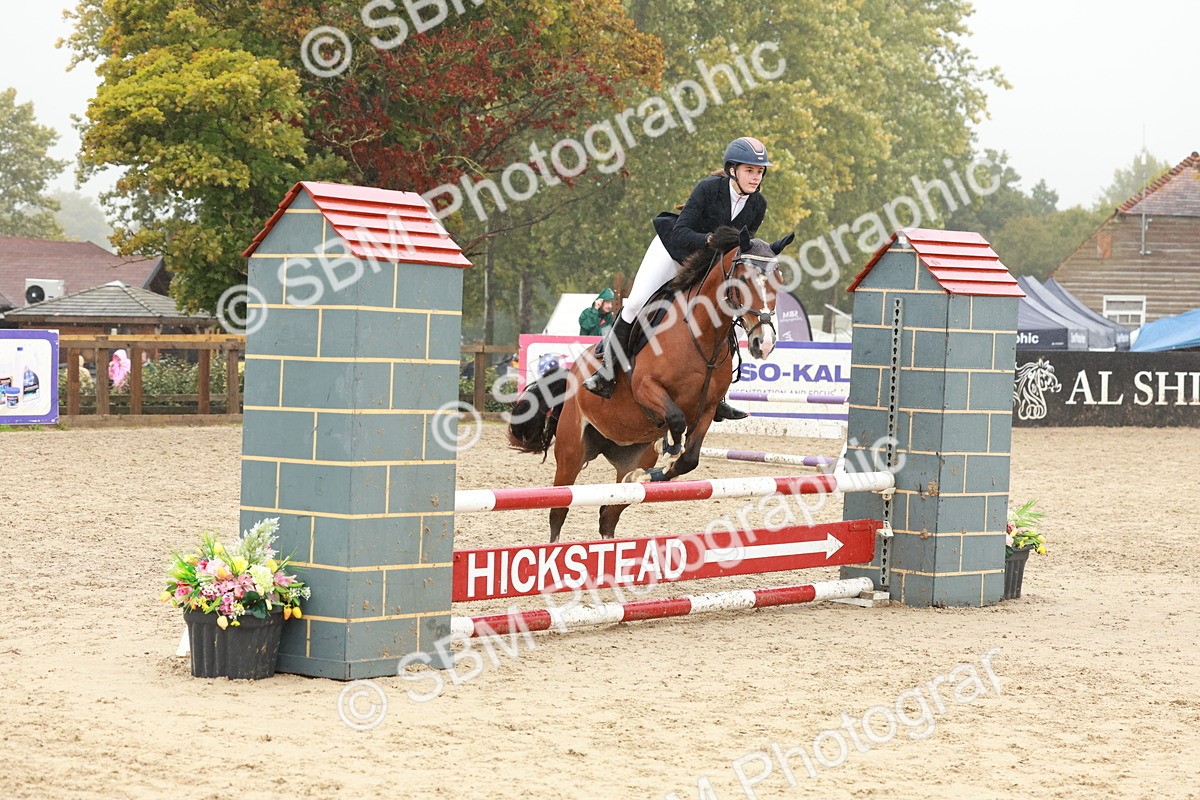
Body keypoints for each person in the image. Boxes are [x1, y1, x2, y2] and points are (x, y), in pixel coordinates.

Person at [583, 136, 774, 421]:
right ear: (732, 169)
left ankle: (717, 395)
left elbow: (742, 246)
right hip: (673, 249)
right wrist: (709, 239)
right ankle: (607, 371)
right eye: (750, 170)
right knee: (635, 303)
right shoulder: (709, 189)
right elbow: (681, 231)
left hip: (708, 262)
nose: (755, 177)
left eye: (759, 171)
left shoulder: (758, 204)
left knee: (724, 311)